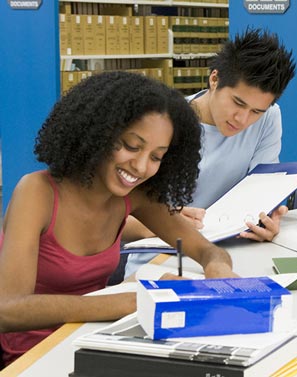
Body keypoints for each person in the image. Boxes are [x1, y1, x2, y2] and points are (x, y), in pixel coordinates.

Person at [0, 71, 238, 366]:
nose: (140, 166)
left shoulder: (133, 196)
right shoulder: (37, 192)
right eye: (132, 146)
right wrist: (127, 301)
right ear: (99, 132)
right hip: (35, 357)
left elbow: (204, 248)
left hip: (95, 341)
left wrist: (217, 266)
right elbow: (6, 310)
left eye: (156, 156)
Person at [121, 28, 296, 277]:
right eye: (238, 103)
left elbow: (260, 191)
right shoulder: (166, 124)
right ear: (214, 79)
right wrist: (166, 224)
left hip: (229, 254)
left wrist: (266, 220)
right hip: (161, 260)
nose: (243, 119)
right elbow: (118, 219)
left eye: (256, 111)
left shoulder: (269, 119)